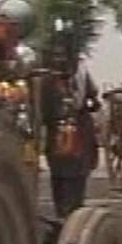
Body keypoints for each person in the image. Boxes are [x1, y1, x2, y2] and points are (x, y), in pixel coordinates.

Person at [45, 55, 101, 218]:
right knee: (73, 177)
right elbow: (93, 97)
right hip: (75, 132)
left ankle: (64, 213)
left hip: (59, 133)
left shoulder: (47, 77)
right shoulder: (80, 72)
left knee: (60, 176)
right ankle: (70, 214)